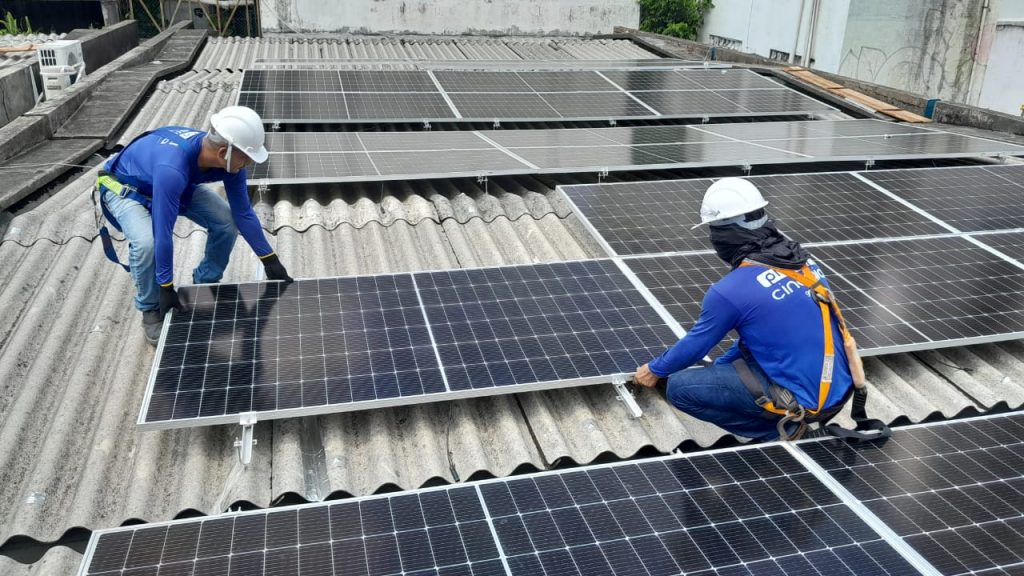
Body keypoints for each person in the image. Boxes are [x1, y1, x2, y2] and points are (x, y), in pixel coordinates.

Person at [633, 177, 862, 441]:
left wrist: (654, 370)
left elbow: (697, 345)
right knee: (731, 361)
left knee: (680, 388)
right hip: (839, 389)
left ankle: (780, 432)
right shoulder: (801, 262)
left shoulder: (730, 291)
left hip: (807, 401)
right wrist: (721, 368)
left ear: (723, 235)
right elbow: (757, 338)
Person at [97, 106, 293, 345]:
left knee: (225, 221)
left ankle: (206, 282)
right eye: (248, 157)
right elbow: (163, 234)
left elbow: (243, 213)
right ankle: (150, 309)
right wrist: (166, 286)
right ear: (224, 152)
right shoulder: (173, 168)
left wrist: (269, 259)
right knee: (146, 243)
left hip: (177, 185)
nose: (250, 163)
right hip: (127, 189)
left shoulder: (231, 162)